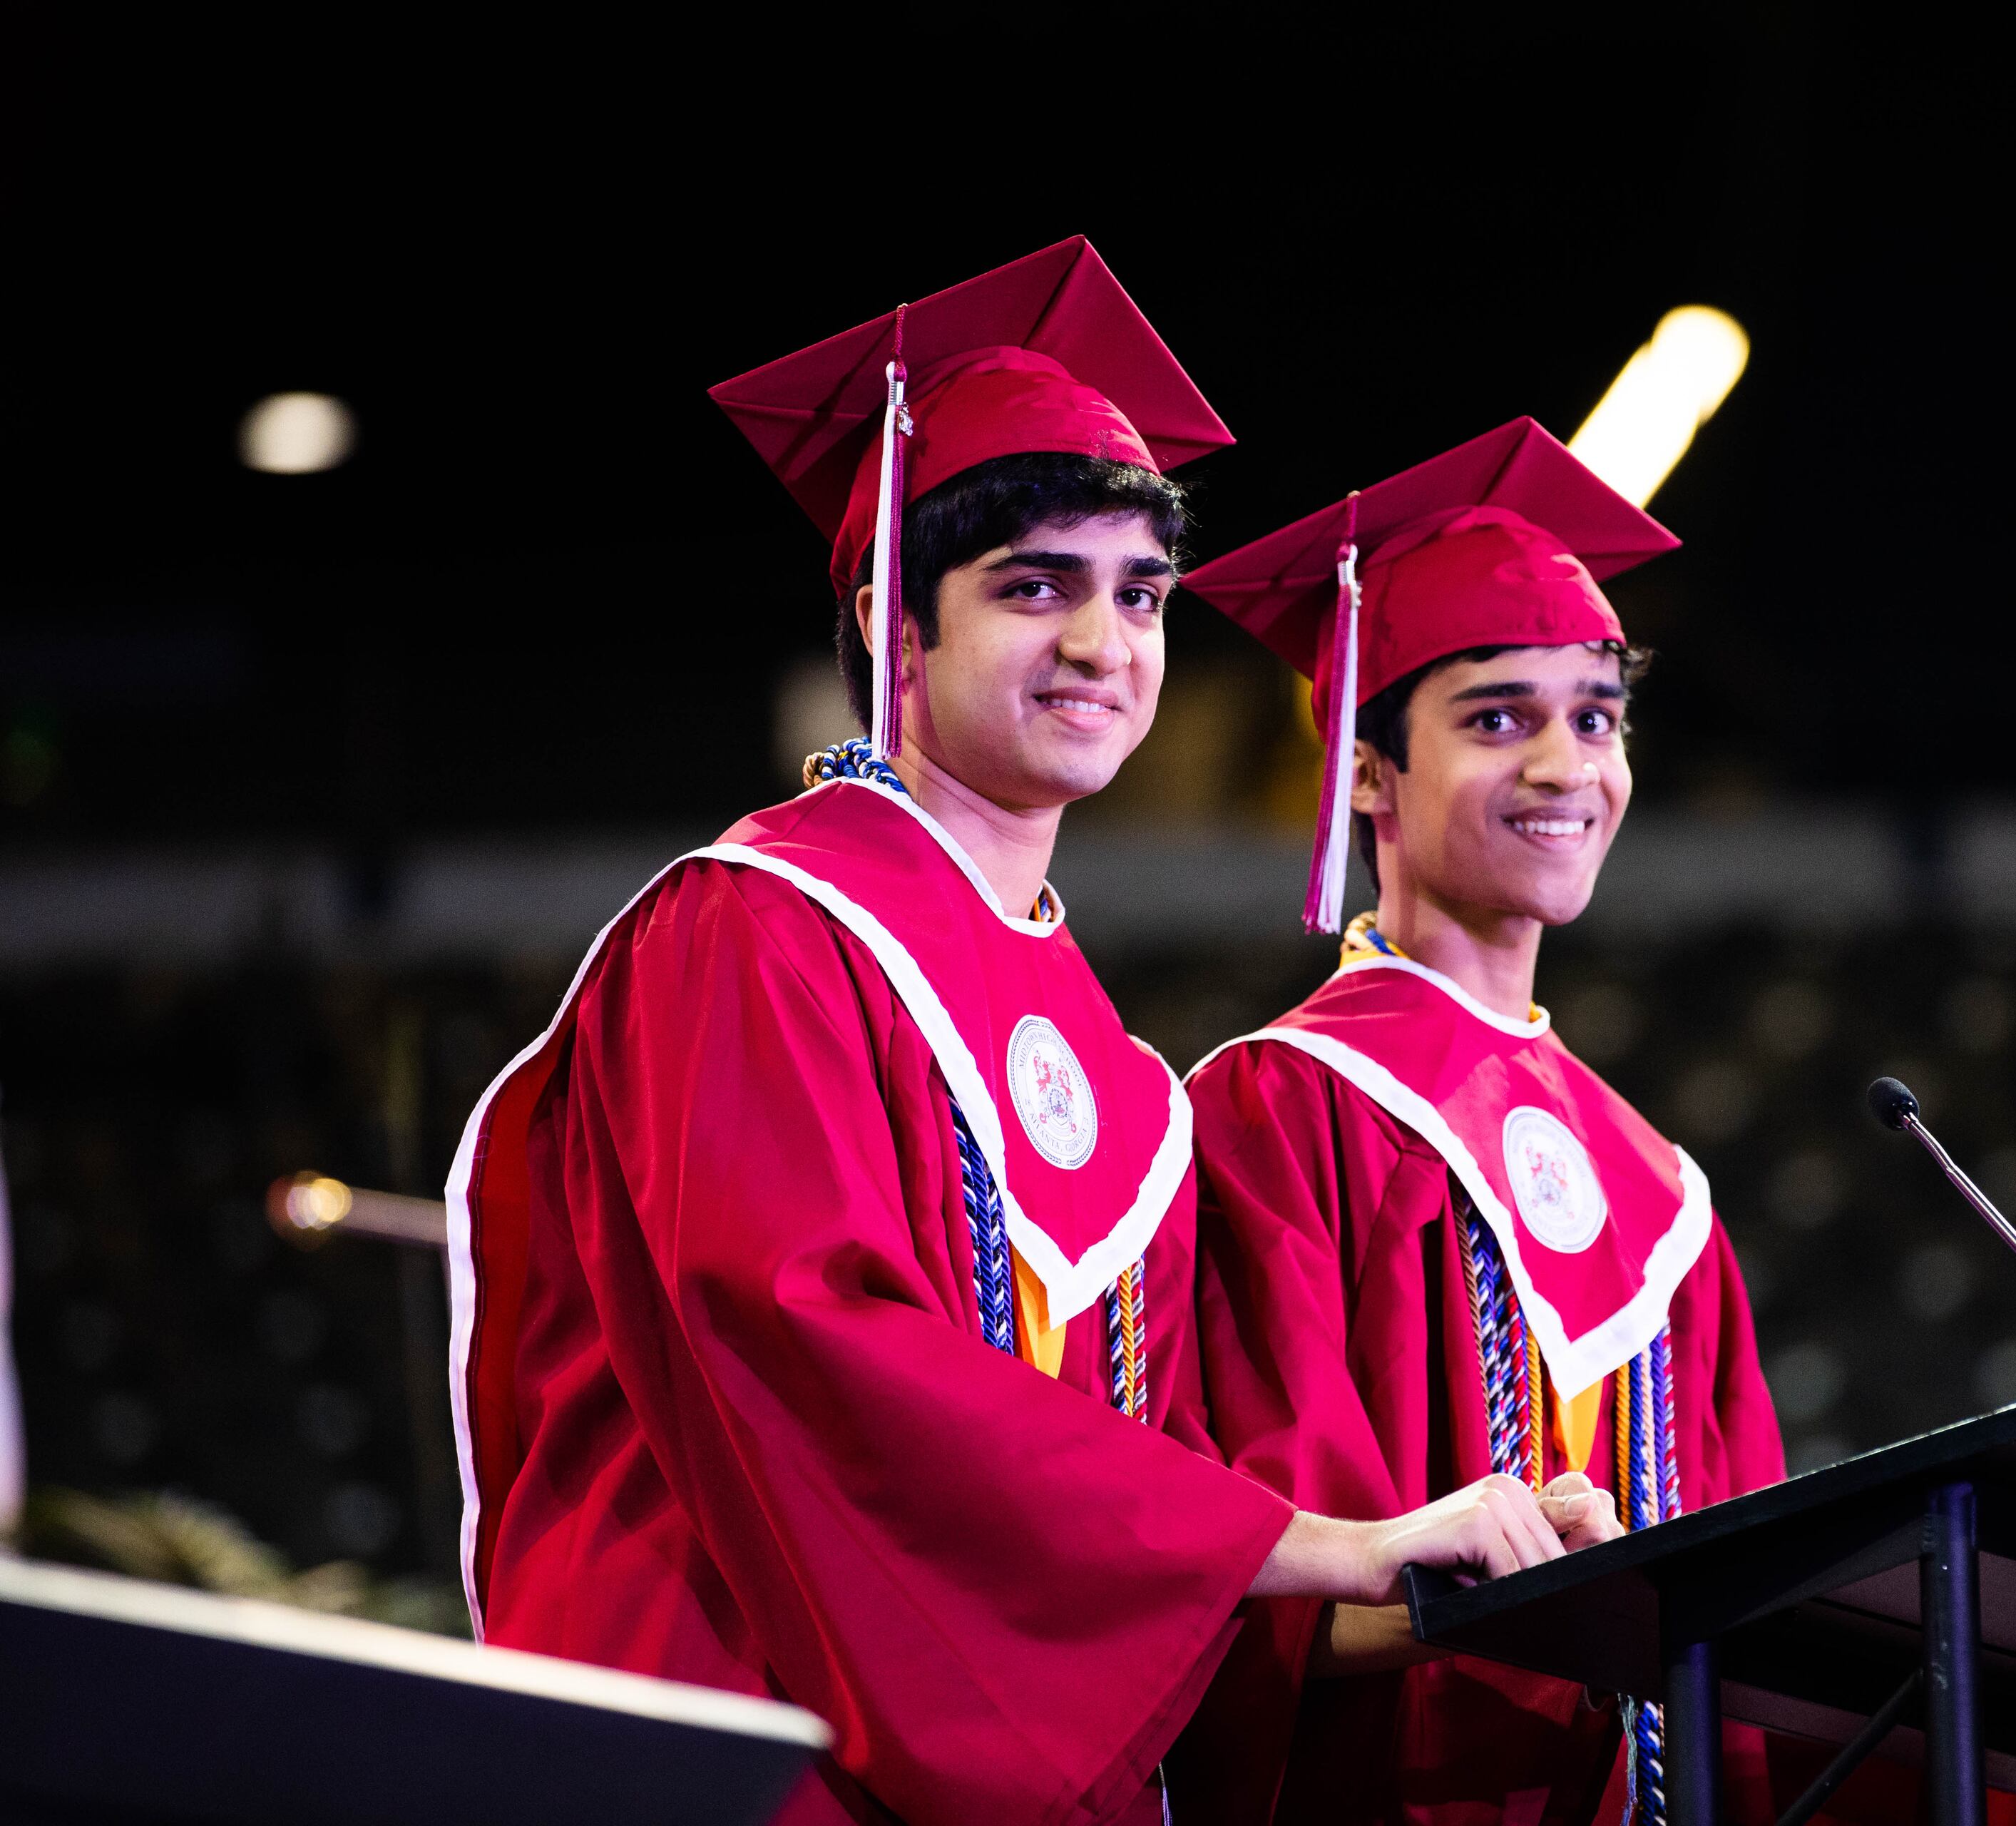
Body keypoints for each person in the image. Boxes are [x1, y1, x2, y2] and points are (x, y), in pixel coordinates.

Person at [444, 245, 1606, 1826]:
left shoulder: (1119, 1078)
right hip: (742, 1749)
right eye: (1034, 585)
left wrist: (1459, 1579)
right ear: (887, 618)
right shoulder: (755, 930)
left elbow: (1164, 1558)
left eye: (1139, 594)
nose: (1104, 644)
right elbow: (822, 1346)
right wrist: (1327, 1539)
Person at [1177, 422, 2016, 1826]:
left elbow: (1752, 1604)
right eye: (1498, 717)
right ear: (1367, 772)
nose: (1569, 764)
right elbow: (1258, 1576)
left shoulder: (1662, 1190)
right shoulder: (1281, 1105)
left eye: (1596, 714)